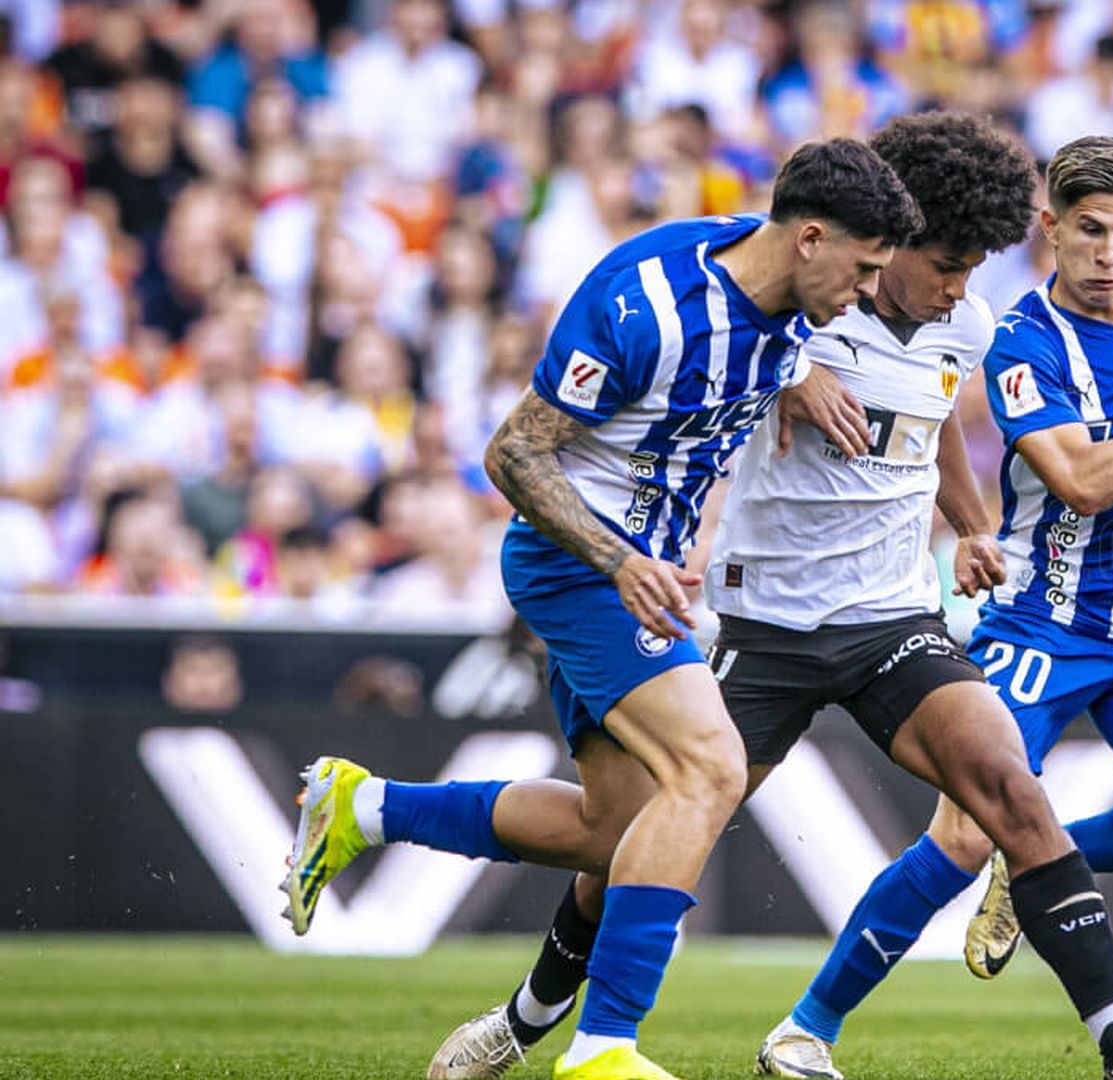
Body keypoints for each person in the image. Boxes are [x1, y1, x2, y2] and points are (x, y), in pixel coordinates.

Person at [425, 117, 1113, 1080]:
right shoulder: (802, 312)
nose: (961, 286)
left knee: (1008, 792)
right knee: (632, 833)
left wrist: (971, 525)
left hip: (891, 620)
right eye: (946, 263)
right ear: (889, 245)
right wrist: (793, 372)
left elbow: (939, 413)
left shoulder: (967, 321)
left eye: (972, 268)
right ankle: (529, 1023)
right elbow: (742, 289)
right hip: (768, 626)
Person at [279, 137, 925, 1080]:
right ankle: (603, 1050)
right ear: (812, 240)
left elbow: (759, 337)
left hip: (644, 575)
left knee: (614, 828)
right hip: (575, 564)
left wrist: (802, 374)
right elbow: (513, 455)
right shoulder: (643, 303)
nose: (868, 292)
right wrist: (622, 559)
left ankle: (364, 808)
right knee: (709, 770)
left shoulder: (790, 294)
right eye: (864, 270)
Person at [791, 134, 1113, 1072]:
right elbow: (1084, 481)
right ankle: (809, 1025)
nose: (1109, 255)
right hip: (1042, 622)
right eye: (1090, 231)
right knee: (966, 830)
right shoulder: (1019, 340)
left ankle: (1039, 870)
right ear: (1050, 227)